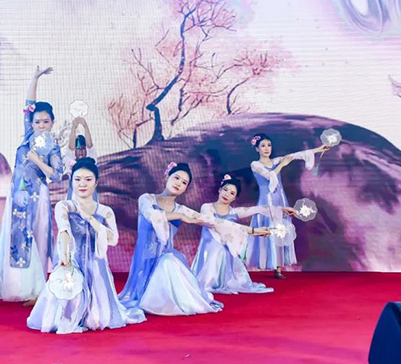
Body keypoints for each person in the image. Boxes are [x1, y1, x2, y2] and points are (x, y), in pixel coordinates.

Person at [118, 163, 267, 315]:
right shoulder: (147, 199)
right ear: (167, 176)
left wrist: (252, 231)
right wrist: (179, 216)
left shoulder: (182, 209)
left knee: (169, 261)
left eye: (184, 182)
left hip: (164, 255)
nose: (179, 183)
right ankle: (153, 300)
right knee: (165, 264)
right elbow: (151, 216)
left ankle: (173, 305)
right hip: (144, 258)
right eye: (176, 178)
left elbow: (216, 222)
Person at [27, 158, 145, 333]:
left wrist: (89, 218)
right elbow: (64, 230)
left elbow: (113, 239)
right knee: (67, 301)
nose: (82, 184)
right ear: (71, 181)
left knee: (97, 319)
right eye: (77, 179)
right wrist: (65, 256)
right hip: (72, 261)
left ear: (96, 183)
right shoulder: (64, 206)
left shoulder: (105, 211)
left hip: (95, 264)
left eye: (88, 179)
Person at [0, 66, 64, 304]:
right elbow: (29, 105)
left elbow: (58, 175)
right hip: (17, 194)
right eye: (37, 121)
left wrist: (38, 161)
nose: (41, 125)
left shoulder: (53, 146)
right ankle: (16, 286)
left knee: (36, 236)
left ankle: (36, 289)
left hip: (37, 195)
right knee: (15, 238)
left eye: (45, 121)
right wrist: (35, 78)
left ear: (52, 123)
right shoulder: (28, 136)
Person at [246, 133, 329, 278]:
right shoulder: (255, 164)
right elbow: (269, 176)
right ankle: (267, 262)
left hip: (280, 199)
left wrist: (318, 149)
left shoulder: (276, 161)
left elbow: (295, 155)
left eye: (269, 145)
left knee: (281, 230)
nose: (267, 148)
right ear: (257, 149)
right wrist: (282, 165)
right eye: (263, 146)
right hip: (267, 201)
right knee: (269, 230)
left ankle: (278, 268)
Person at [192, 174, 292, 294]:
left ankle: (227, 279)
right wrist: (252, 231)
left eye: (232, 193)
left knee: (227, 251)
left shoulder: (234, 212)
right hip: (209, 252)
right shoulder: (207, 207)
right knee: (216, 247)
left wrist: (281, 209)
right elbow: (217, 224)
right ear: (219, 190)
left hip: (228, 252)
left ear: (235, 198)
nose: (227, 194)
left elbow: (258, 208)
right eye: (225, 190)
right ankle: (209, 280)